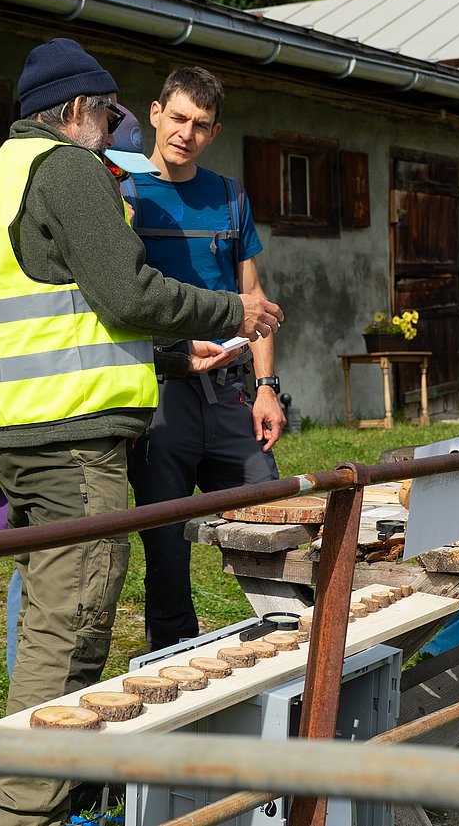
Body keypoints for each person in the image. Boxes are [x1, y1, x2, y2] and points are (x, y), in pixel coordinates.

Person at [0, 38, 283, 826]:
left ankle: (44, 795)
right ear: (74, 111)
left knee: (47, 623)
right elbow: (127, 292)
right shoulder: (66, 168)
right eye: (107, 112)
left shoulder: (1, 174)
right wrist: (230, 312)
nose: (114, 127)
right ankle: (32, 809)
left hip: (20, 434)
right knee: (75, 624)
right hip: (70, 441)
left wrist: (172, 353)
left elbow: (72, 310)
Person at [122, 65, 286, 652]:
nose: (186, 133)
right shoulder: (123, 191)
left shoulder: (229, 194)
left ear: (213, 134)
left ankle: (289, 651)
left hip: (230, 395)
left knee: (271, 522)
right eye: (179, 117)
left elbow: (256, 303)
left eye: (202, 124)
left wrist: (266, 386)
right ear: (155, 112)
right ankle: (175, 671)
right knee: (166, 550)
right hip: (162, 392)